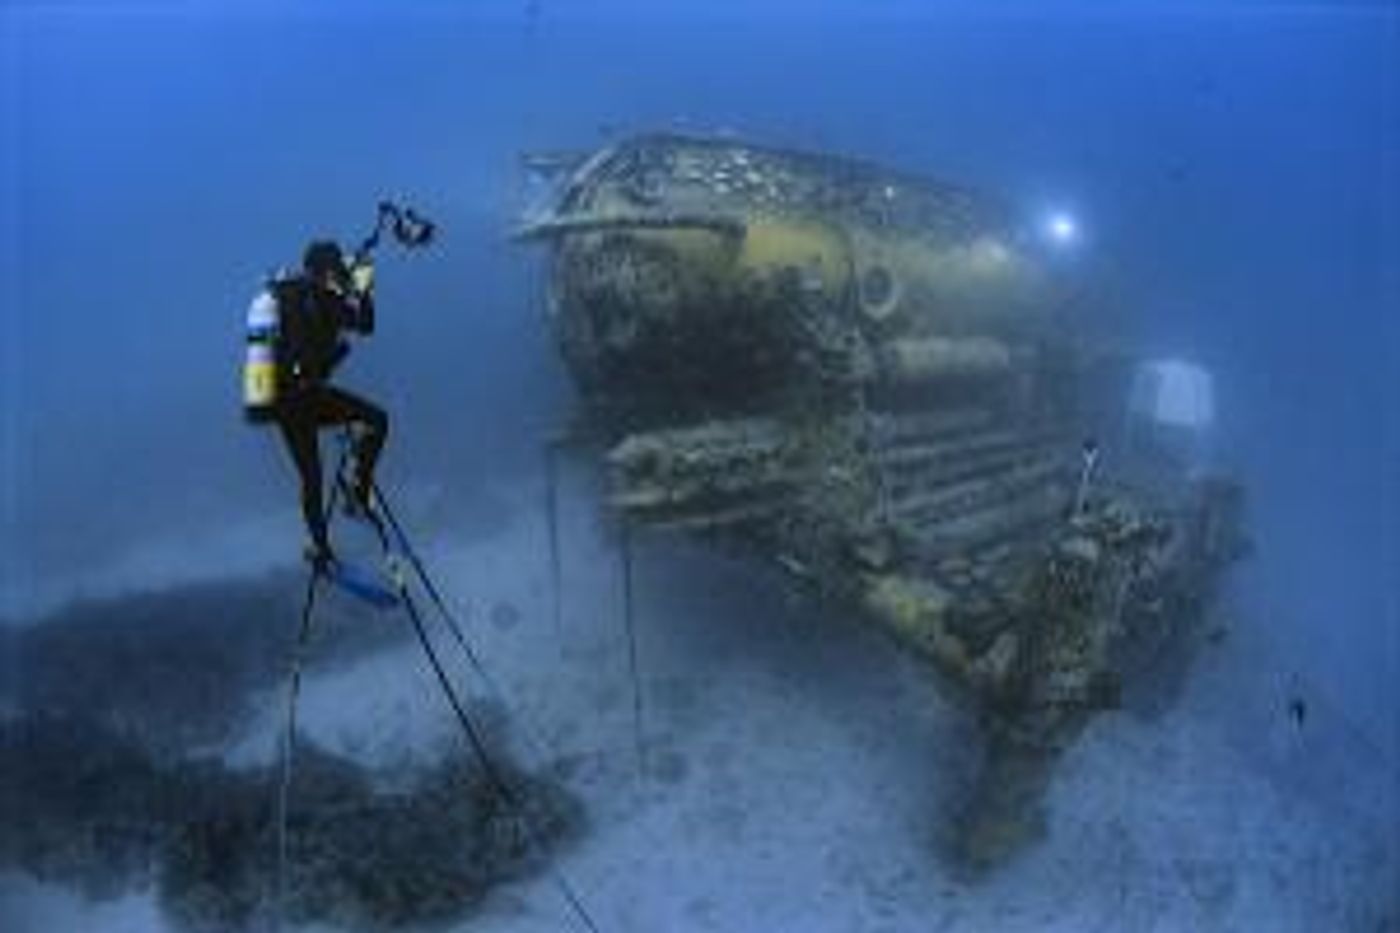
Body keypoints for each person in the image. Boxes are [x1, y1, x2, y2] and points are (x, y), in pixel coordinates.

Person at [273, 239, 388, 571]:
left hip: (306, 398)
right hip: (292, 403)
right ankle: (323, 544)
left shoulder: (325, 298)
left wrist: (364, 287)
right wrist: (360, 289)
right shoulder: (296, 299)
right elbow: (351, 327)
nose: (335, 277)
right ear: (320, 271)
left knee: (376, 422)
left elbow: (365, 325)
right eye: (332, 271)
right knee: (312, 474)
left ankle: (356, 493)